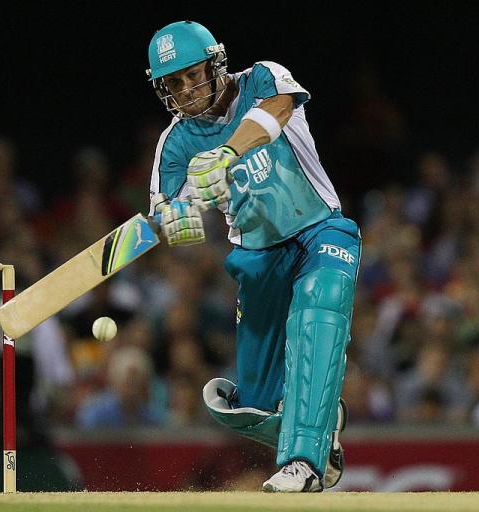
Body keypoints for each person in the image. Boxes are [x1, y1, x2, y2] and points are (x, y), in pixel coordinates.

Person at [145, 21, 361, 492]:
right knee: (247, 408)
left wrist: (226, 153)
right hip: (258, 260)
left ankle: (302, 462)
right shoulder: (176, 142)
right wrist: (175, 218)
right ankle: (323, 423)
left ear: (215, 63)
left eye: (192, 74)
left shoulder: (262, 78)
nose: (185, 90)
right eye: (173, 83)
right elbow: (165, 206)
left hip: (319, 230)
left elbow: (279, 109)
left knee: (318, 310)